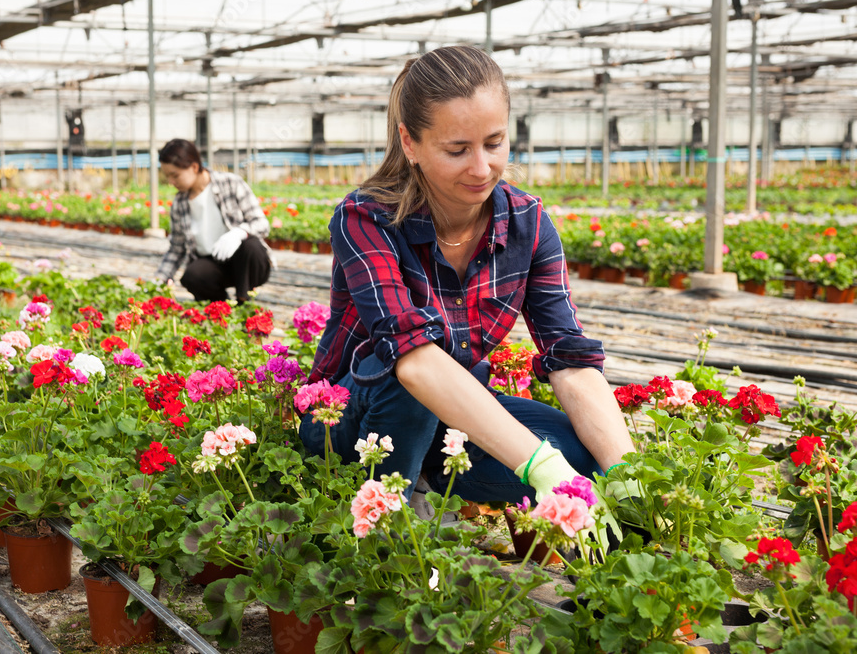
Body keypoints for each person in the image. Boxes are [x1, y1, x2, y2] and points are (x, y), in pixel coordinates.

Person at [298, 46, 636, 525]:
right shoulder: (366, 217)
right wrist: (539, 467)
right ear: (410, 143)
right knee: (405, 375)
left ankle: (430, 479)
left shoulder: (528, 223)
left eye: (494, 143)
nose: (481, 169)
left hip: (452, 416)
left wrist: (630, 478)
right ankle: (386, 528)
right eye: (457, 150)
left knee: (582, 457)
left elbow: (571, 358)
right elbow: (412, 361)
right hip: (350, 419)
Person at [155, 138, 272, 303]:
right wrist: (158, 281)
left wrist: (239, 232)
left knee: (251, 246)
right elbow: (176, 248)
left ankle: (243, 301)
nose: (171, 182)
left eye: (175, 175)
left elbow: (261, 224)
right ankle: (219, 308)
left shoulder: (230, 183)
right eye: (168, 176)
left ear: (194, 167)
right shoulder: (180, 204)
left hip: (244, 261)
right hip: (212, 264)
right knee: (192, 275)